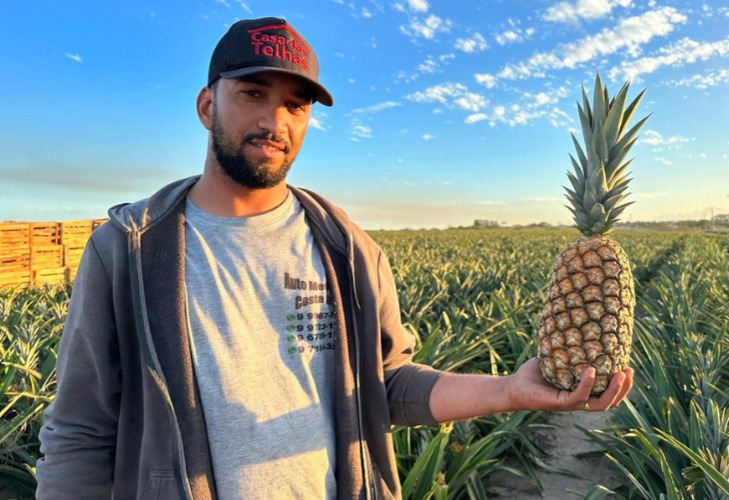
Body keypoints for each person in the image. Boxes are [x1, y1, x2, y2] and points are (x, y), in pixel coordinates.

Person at [35, 16, 634, 500]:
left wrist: (511, 391)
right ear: (205, 104)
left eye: (297, 105)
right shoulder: (127, 248)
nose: (275, 121)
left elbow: (387, 385)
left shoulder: (350, 249)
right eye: (252, 93)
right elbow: (81, 430)